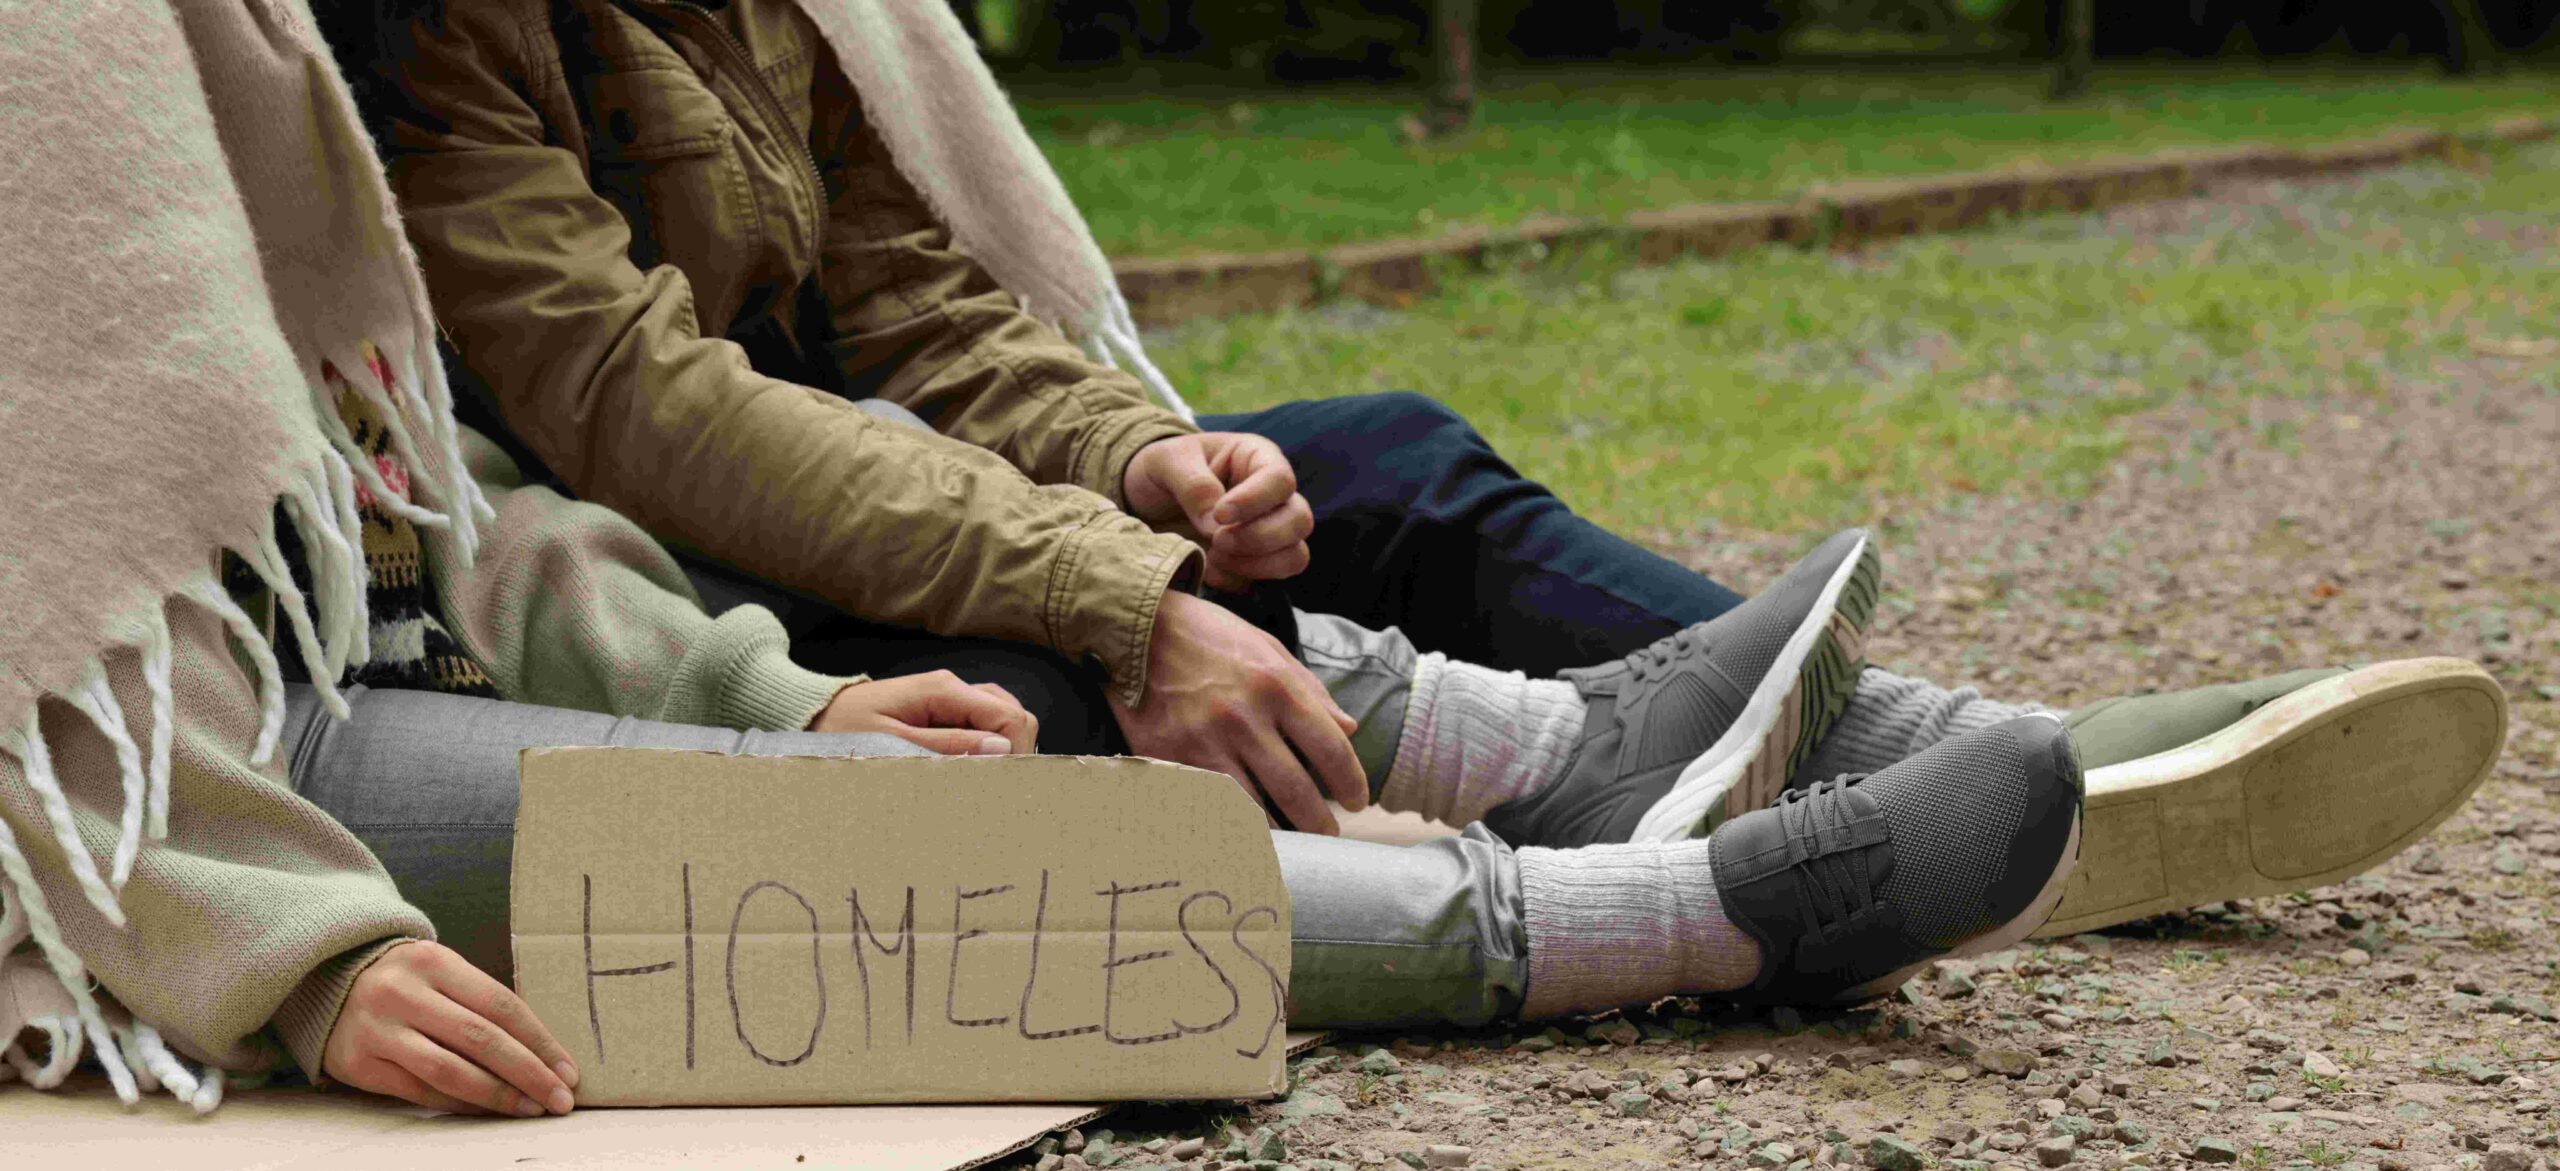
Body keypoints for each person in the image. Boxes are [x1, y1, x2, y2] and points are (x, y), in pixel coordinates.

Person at [0, 0, 2099, 1117]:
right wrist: (287, 957)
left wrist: (1141, 470)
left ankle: (1670, 738)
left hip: (671, 563)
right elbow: (91, 648)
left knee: (1357, 472)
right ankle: (1683, 903)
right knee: (913, 802)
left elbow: (474, 507)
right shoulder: (348, 56)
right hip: (246, 758)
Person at [342, 0, 2507, 934]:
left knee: (1369, 463)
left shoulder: (763, 16)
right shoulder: (431, 41)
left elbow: (918, 303)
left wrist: (1154, 461)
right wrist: (1115, 585)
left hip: (876, 488)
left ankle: (1869, 740)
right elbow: (639, 406)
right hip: (660, 589)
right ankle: (1754, 821)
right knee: (1089, 713)